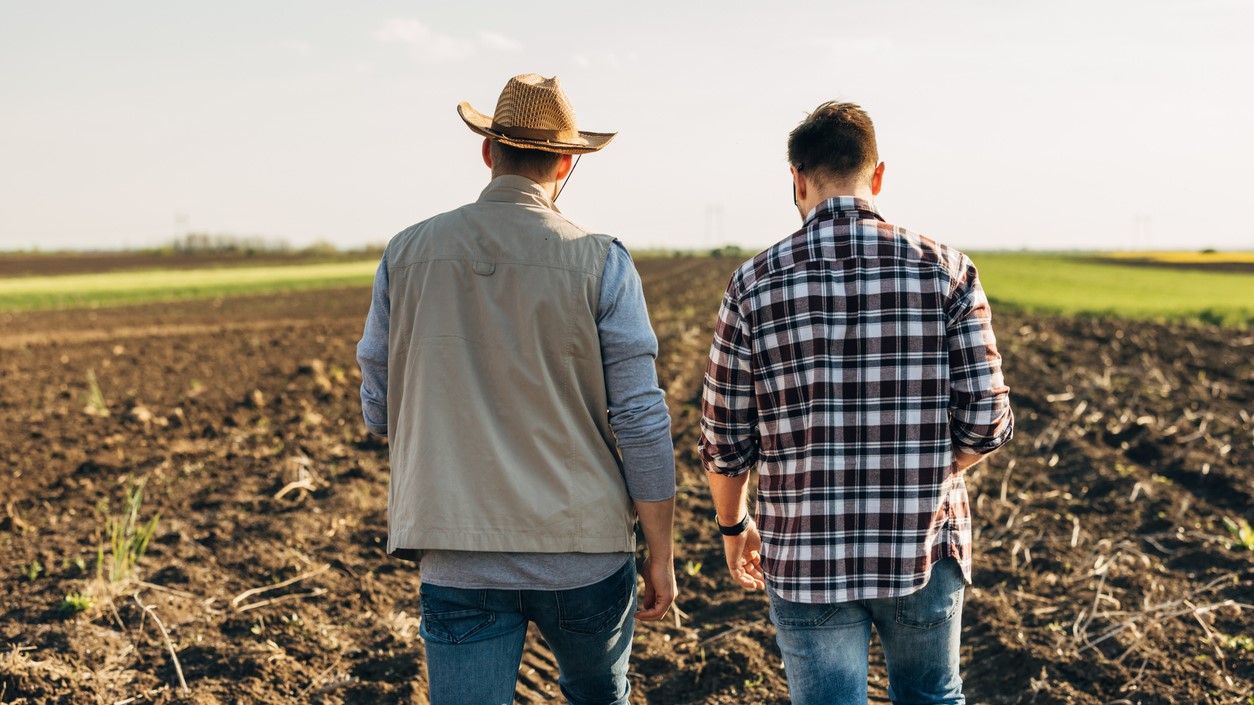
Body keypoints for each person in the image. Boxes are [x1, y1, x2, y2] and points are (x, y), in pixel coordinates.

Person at [356, 73, 677, 705]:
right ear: (566, 162)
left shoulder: (406, 252)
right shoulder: (602, 259)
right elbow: (641, 418)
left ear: (487, 153)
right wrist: (660, 549)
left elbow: (378, 404)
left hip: (457, 552)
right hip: (583, 552)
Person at [698, 101, 1014, 705]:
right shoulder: (948, 272)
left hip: (804, 550)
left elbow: (725, 437)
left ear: (797, 177)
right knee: (931, 695)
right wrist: (924, 473)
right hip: (921, 543)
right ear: (878, 175)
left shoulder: (753, 283)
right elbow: (986, 421)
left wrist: (735, 526)